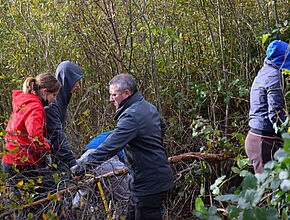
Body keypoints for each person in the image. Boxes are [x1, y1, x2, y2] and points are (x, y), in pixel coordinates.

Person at [72, 73, 173, 220]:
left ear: (126, 93)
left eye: (114, 95)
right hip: (146, 181)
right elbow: (162, 128)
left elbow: (110, 147)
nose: (111, 99)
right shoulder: (148, 107)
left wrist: (82, 167)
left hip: (148, 183)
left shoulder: (131, 116)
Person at [1, 72, 61, 194]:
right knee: (50, 195)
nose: (55, 99)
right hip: (22, 162)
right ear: (44, 92)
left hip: (11, 160)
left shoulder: (24, 102)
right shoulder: (35, 107)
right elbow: (35, 138)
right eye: (53, 95)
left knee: (25, 203)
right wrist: (47, 150)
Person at [245, 40, 290, 174]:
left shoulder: (264, 72)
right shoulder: (275, 76)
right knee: (271, 191)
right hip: (264, 142)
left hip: (257, 139)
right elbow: (276, 113)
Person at [45, 61, 84, 178]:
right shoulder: (52, 103)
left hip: (57, 154)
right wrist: (72, 162)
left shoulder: (62, 98)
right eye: (76, 80)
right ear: (68, 79)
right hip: (49, 156)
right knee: (62, 189)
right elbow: (57, 135)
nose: (78, 85)